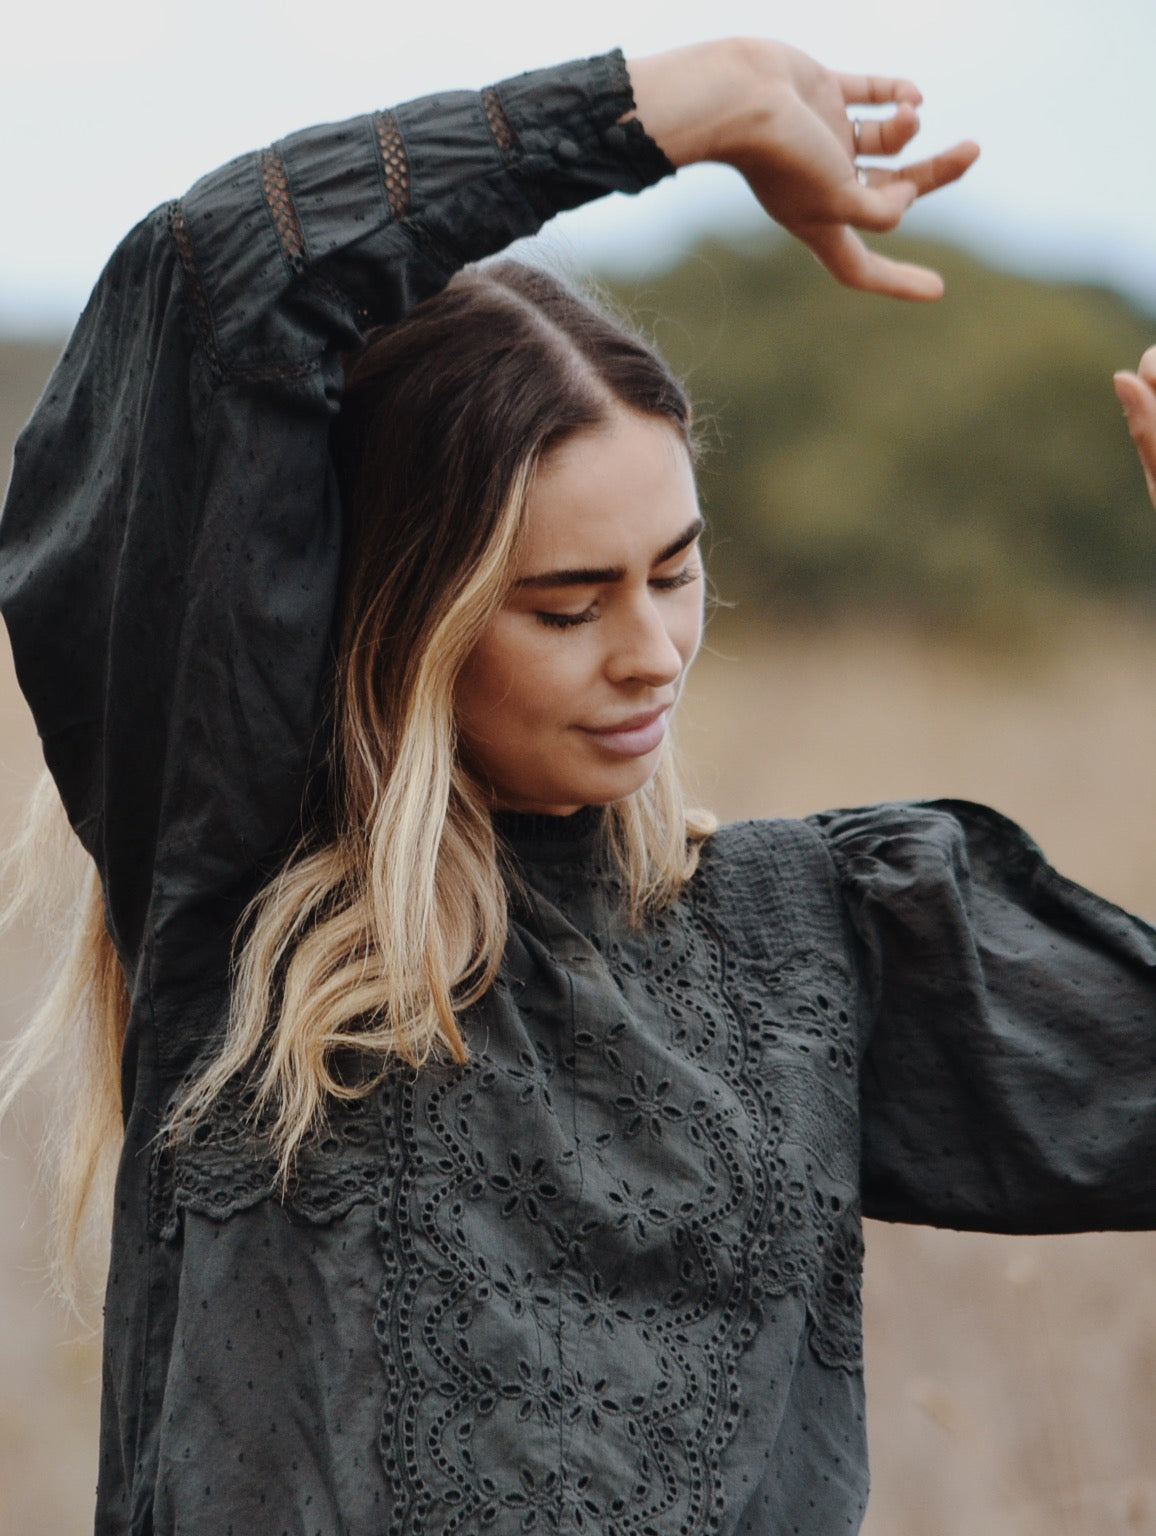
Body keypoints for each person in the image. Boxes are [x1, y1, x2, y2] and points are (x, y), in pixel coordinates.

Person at [0, 33, 1154, 1536]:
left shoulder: (822, 935)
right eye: (564, 605)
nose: (651, 654)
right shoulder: (252, 896)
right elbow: (216, 281)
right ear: (403, 620)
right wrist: (673, 107)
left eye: (676, 575)